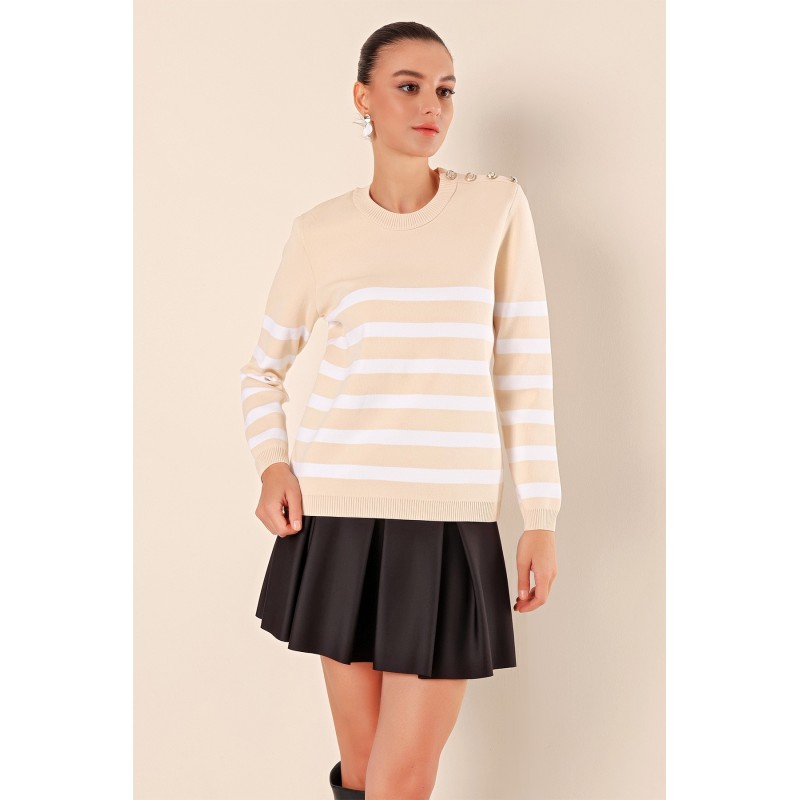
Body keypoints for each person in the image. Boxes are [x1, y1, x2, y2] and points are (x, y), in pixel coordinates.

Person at [239, 20, 562, 800]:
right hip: (338, 519)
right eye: (409, 87)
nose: (431, 106)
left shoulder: (496, 209)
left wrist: (541, 514)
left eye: (445, 90)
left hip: (449, 522)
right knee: (363, 775)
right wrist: (272, 464)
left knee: (401, 778)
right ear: (363, 98)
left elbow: (525, 366)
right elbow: (262, 371)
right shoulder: (321, 232)